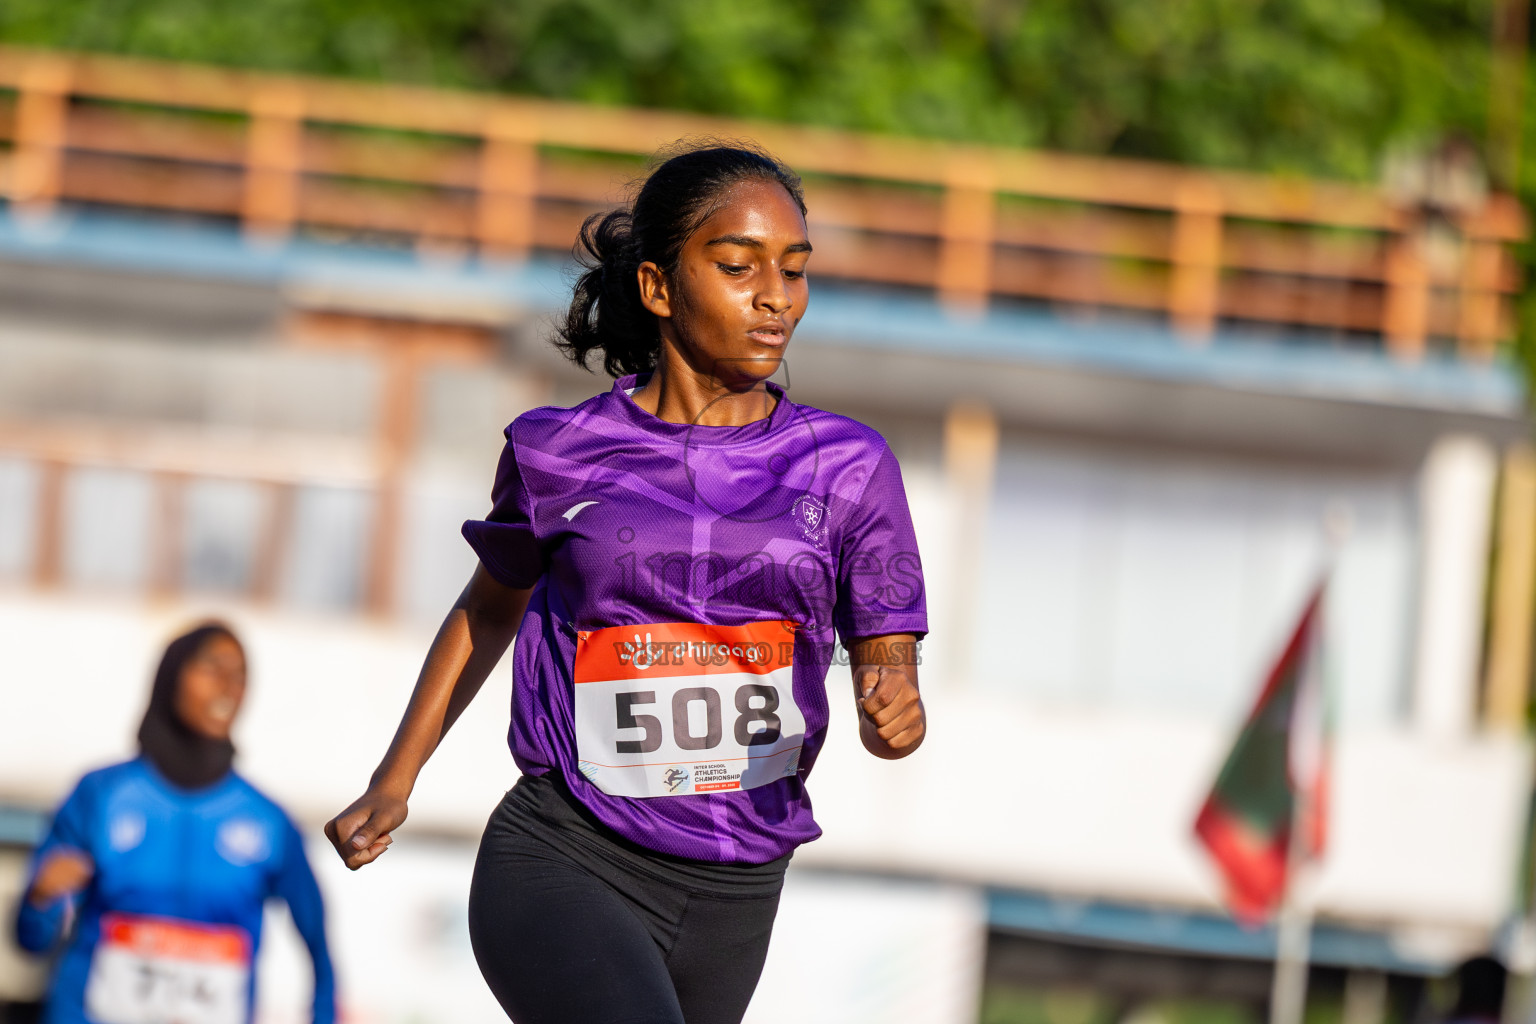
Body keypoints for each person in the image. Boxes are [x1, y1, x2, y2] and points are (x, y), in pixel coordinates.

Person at [325, 142, 929, 1024]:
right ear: (657, 286)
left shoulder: (849, 467)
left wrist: (896, 710)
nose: (775, 298)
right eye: (738, 267)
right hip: (567, 853)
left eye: (794, 272)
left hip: (738, 886)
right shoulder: (556, 452)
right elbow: (487, 609)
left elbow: (891, 671)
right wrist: (394, 778)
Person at [15, 622, 336, 1024]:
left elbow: (320, 948)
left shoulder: (268, 820)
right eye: (212, 667)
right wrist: (40, 900)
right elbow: (30, 940)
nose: (228, 685)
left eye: (240, 675)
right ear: (171, 677)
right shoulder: (101, 795)